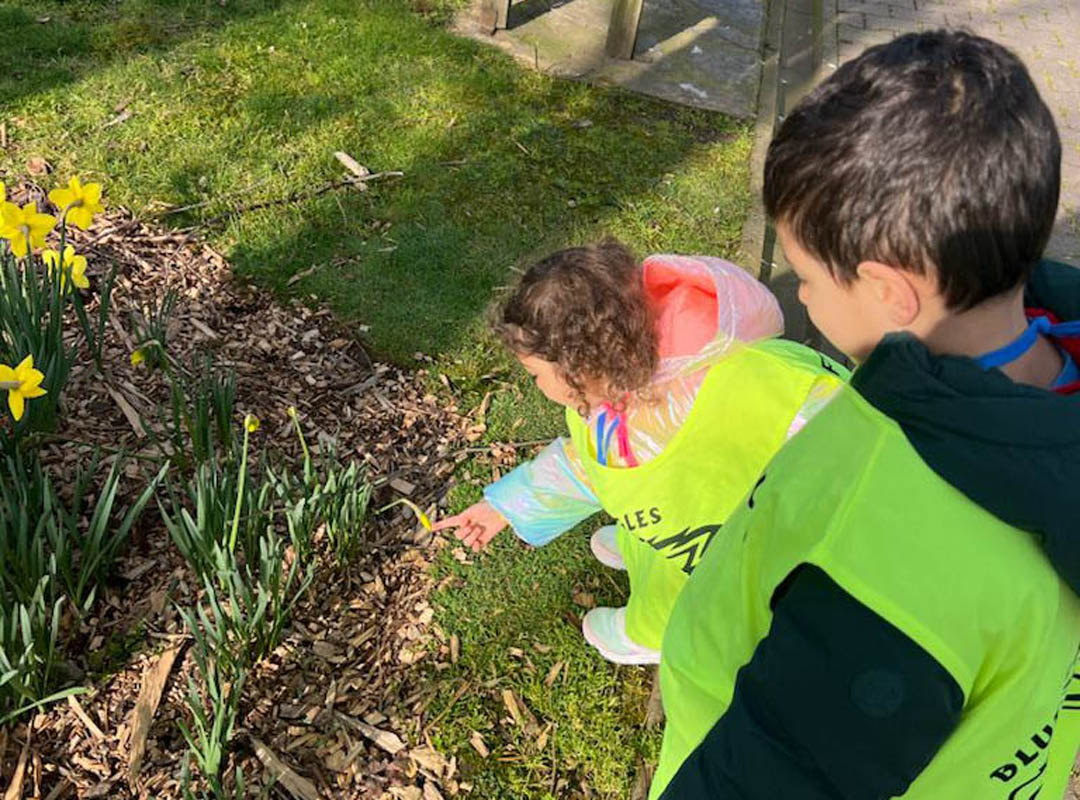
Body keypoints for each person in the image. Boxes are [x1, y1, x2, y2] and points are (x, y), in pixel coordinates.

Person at [650, 29, 1080, 800]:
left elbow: (779, 772)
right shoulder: (1045, 392)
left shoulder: (893, 567)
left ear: (890, 293)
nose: (801, 295)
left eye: (807, 276)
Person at [433, 240, 848, 664]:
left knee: (676, 581)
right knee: (649, 517)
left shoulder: (738, 390)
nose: (535, 385)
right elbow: (590, 465)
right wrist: (504, 508)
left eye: (535, 373)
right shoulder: (625, 381)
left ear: (578, 366)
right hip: (700, 502)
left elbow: (600, 468)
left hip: (714, 540)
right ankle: (640, 544)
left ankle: (653, 633)